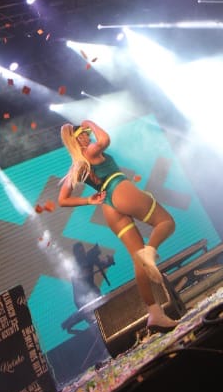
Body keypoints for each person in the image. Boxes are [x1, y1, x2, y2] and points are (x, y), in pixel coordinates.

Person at [57, 120, 178, 334]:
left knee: (137, 258)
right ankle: (150, 252)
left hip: (109, 208)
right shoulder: (91, 150)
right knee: (167, 223)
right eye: (83, 133)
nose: (87, 135)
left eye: (86, 132)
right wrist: (90, 123)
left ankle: (154, 312)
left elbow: (62, 200)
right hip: (118, 188)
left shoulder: (77, 166)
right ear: (79, 139)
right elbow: (105, 139)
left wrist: (89, 201)